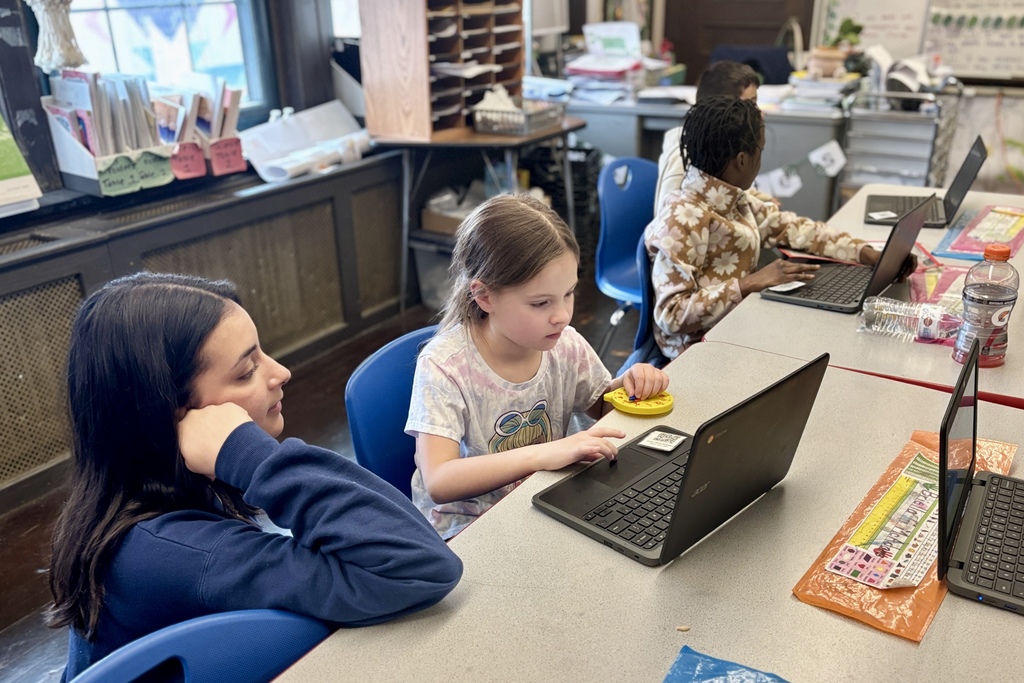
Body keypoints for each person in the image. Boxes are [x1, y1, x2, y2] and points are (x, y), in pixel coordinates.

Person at [48, 273, 463, 681]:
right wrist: (250, 456)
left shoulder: (133, 497)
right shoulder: (180, 555)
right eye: (246, 371)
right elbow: (420, 566)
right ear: (171, 416)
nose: (280, 372)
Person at [406, 194, 670, 539]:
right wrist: (545, 454)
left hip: (543, 500)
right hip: (468, 529)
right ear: (484, 296)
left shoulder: (565, 343)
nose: (561, 315)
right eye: (541, 302)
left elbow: (601, 406)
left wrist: (631, 386)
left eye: (569, 294)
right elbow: (439, 480)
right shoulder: (444, 366)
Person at [645, 97, 912, 360]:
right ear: (741, 160)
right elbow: (672, 314)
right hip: (699, 350)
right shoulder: (681, 218)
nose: (760, 162)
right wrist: (749, 284)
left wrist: (864, 253)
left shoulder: (734, 199)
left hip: (738, 322)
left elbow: (794, 229)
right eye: (759, 152)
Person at [654, 61, 775, 212]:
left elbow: (727, 190)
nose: (760, 113)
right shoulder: (683, 160)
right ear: (721, 110)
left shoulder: (721, 148)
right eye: (750, 104)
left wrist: (762, 200)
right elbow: (667, 220)